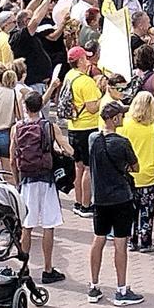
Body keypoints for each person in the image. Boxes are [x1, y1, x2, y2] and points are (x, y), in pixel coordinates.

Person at [87, 101, 144, 306]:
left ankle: (93, 286)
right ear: (115, 119)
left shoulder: (93, 138)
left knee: (98, 239)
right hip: (120, 197)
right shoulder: (122, 142)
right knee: (120, 243)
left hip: (99, 198)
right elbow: (135, 167)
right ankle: (121, 290)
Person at [13, 90, 74, 284]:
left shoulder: (17, 127)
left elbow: (13, 158)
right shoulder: (49, 127)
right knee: (48, 225)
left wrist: (17, 181)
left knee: (27, 226)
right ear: (41, 106)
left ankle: (24, 268)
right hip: (46, 181)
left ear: (26, 107)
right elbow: (68, 149)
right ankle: (48, 269)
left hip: (27, 180)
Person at [118, 91, 154, 254]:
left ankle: (131, 241)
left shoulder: (125, 124)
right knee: (147, 210)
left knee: (130, 210)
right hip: (149, 174)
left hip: (130, 174)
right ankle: (145, 242)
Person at [62, 45, 102, 218]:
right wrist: (103, 93)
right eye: (86, 58)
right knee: (88, 168)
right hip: (88, 127)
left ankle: (78, 202)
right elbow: (93, 108)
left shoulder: (70, 76)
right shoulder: (86, 81)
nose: (88, 61)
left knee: (78, 167)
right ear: (79, 61)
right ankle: (86, 204)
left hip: (73, 127)